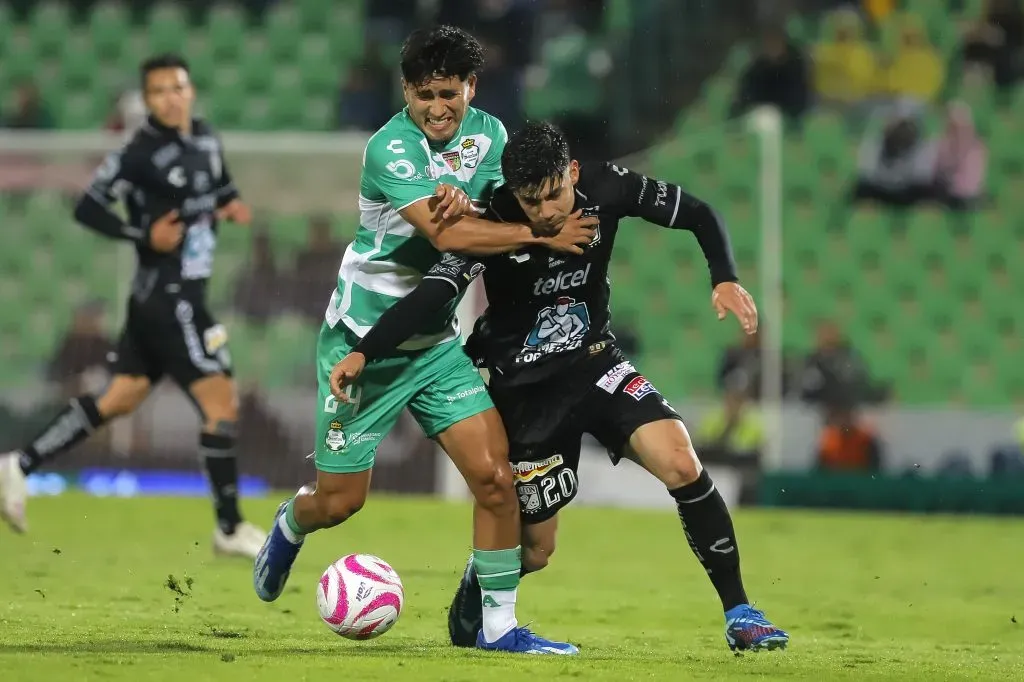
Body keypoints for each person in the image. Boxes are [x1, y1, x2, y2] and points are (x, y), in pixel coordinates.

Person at [329, 121, 790, 652]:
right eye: (532, 202)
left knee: (682, 462)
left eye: (553, 194)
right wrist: (367, 349)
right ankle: (481, 580)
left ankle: (740, 613)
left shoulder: (609, 187)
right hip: (525, 393)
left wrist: (724, 276)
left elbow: (700, 213)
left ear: (571, 172)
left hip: (596, 363)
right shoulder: (494, 219)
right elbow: (432, 293)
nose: (546, 211)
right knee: (537, 551)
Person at [251, 26, 595, 655]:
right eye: (425, 94)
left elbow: (496, 213)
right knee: (339, 502)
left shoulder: (490, 135)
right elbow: (452, 242)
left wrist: (482, 210)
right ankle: (291, 523)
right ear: (405, 90)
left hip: (436, 346)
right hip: (364, 347)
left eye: (450, 93)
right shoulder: (390, 149)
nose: (438, 107)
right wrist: (538, 236)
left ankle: (497, 630)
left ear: (472, 88)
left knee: (495, 480)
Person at [0, 54, 265, 558]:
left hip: (170, 298)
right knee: (221, 402)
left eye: (178, 87)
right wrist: (141, 233)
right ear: (146, 102)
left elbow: (220, 185)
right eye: (159, 91)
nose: (171, 97)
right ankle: (229, 527)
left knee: (117, 399)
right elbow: (87, 205)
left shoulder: (207, 137)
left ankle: (18, 465)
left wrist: (229, 204)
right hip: (169, 296)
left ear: (190, 91)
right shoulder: (139, 152)